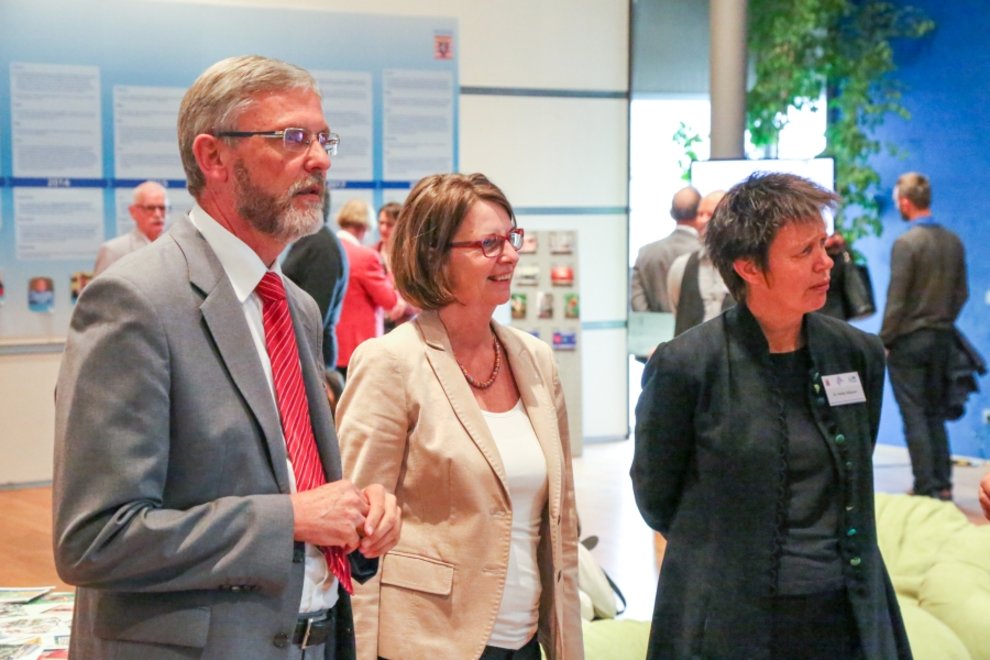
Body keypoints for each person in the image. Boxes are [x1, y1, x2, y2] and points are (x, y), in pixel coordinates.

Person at [53, 55, 401, 659]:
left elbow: (295, 485)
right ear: (214, 157)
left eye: (323, 139)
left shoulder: (293, 306)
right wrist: (290, 518)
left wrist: (357, 521)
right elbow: (94, 538)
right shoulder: (135, 301)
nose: (319, 158)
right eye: (292, 138)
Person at [632, 173, 910, 659]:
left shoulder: (856, 354)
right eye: (803, 253)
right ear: (749, 268)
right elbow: (657, 495)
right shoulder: (687, 365)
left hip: (846, 612)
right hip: (729, 620)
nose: (826, 263)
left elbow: (855, 462)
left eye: (823, 245)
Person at [336, 173, 583, 659]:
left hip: (526, 639)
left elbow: (563, 530)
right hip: (428, 643)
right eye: (489, 243)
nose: (510, 255)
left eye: (512, 237)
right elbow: (355, 537)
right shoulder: (391, 362)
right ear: (435, 256)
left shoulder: (535, 361)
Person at [881, 171, 967, 501]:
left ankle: (926, 487)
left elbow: (897, 300)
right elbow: (962, 293)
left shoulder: (906, 244)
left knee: (913, 414)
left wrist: (884, 340)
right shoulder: (954, 241)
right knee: (934, 412)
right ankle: (943, 483)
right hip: (944, 338)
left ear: (904, 203)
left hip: (909, 342)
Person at [335, 199, 405, 377]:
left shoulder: (325, 250)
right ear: (365, 226)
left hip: (331, 345)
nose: (383, 229)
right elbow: (389, 300)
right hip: (360, 346)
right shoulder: (366, 256)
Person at [283, 188, 350, 371]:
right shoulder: (312, 240)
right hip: (308, 354)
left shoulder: (320, 245)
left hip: (312, 359)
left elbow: (314, 315)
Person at [666, 189, 733, 335]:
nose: (702, 220)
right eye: (699, 214)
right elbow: (678, 310)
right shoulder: (682, 266)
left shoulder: (746, 268)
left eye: (710, 214)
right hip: (690, 355)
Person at [630, 186, 702, 312]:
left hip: (653, 330)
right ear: (699, 213)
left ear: (672, 213)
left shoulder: (645, 253)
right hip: (698, 331)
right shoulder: (706, 255)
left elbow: (637, 304)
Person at [93, 180, 170, 275]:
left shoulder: (175, 249)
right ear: (133, 211)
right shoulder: (113, 251)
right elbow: (102, 290)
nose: (158, 214)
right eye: (150, 208)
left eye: (162, 208)